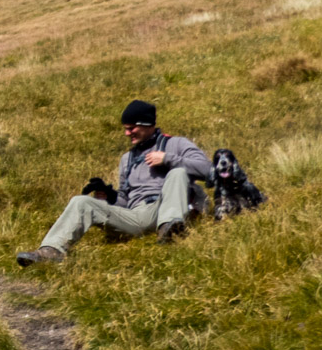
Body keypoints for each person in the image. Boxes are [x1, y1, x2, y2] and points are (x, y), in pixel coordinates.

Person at [16, 99, 213, 266]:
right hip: (137, 216)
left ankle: (169, 230)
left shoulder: (175, 144)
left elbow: (208, 170)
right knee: (80, 202)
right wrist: (109, 196)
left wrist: (168, 159)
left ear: (146, 124)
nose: (128, 133)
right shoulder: (127, 159)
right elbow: (126, 201)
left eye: (131, 128)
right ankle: (50, 252)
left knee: (178, 173)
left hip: (165, 208)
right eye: (125, 129)